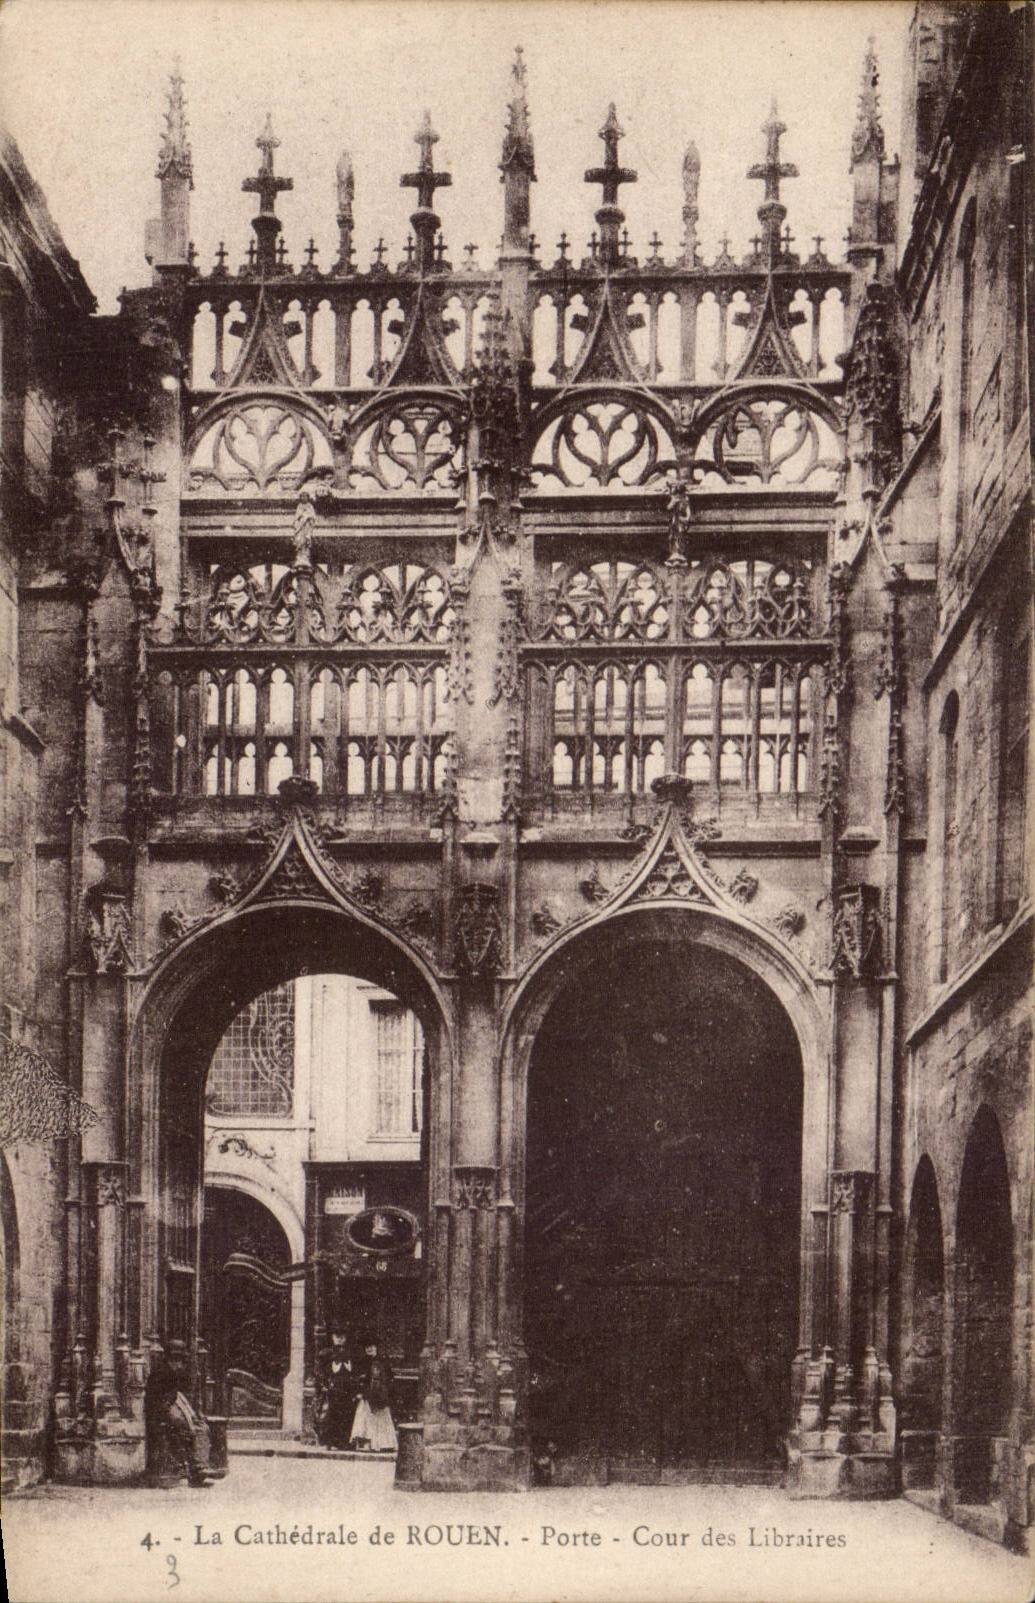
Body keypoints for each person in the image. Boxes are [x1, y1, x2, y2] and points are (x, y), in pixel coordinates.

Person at [144, 1343, 211, 1487]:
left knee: (200, 1427)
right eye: (176, 1360)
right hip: (162, 1411)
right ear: (171, 1359)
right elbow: (155, 1401)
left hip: (173, 1407)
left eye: (180, 1360)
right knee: (187, 1429)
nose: (179, 1364)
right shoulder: (160, 1374)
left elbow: (178, 1396)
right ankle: (192, 1470)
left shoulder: (175, 1373)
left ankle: (199, 1468)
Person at [349, 1338, 397, 1453]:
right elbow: (359, 1379)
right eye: (367, 1347)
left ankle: (383, 1444)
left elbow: (389, 1378)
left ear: (376, 1347)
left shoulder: (383, 1362)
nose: (369, 1349)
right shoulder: (363, 1362)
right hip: (366, 1396)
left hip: (380, 1396)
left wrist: (385, 1392)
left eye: (371, 1346)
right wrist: (360, 1391)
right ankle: (366, 1444)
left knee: (380, 1418)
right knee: (365, 1418)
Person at [315, 1329, 359, 1450]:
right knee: (331, 1415)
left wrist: (355, 1389)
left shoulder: (351, 1354)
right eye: (337, 1336)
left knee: (346, 1415)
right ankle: (329, 1442)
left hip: (347, 1391)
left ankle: (344, 1442)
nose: (339, 1339)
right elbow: (319, 1371)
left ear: (345, 1338)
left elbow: (355, 1372)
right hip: (333, 1390)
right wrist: (324, 1385)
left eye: (342, 1337)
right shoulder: (326, 1353)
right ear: (333, 1337)